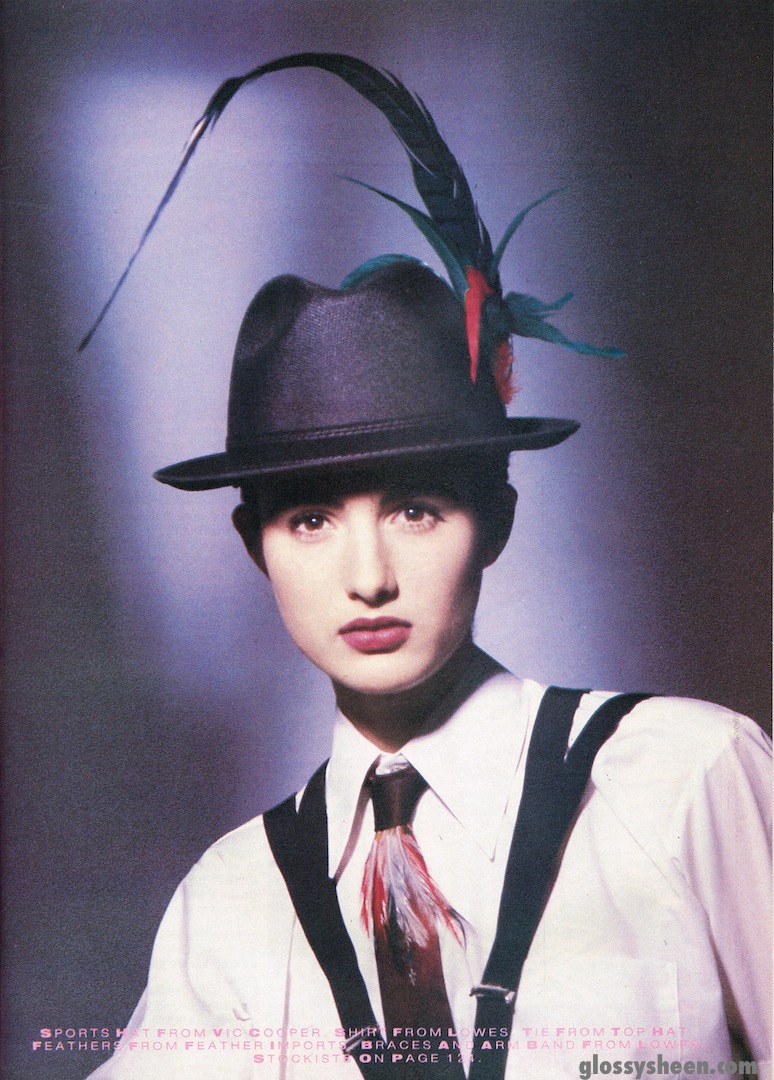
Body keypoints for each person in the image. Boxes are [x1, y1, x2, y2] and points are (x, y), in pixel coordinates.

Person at [84, 55, 771, 1080]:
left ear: (496, 520)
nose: (368, 575)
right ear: (253, 547)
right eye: (311, 520)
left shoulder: (683, 780)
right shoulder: (228, 907)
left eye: (415, 509)